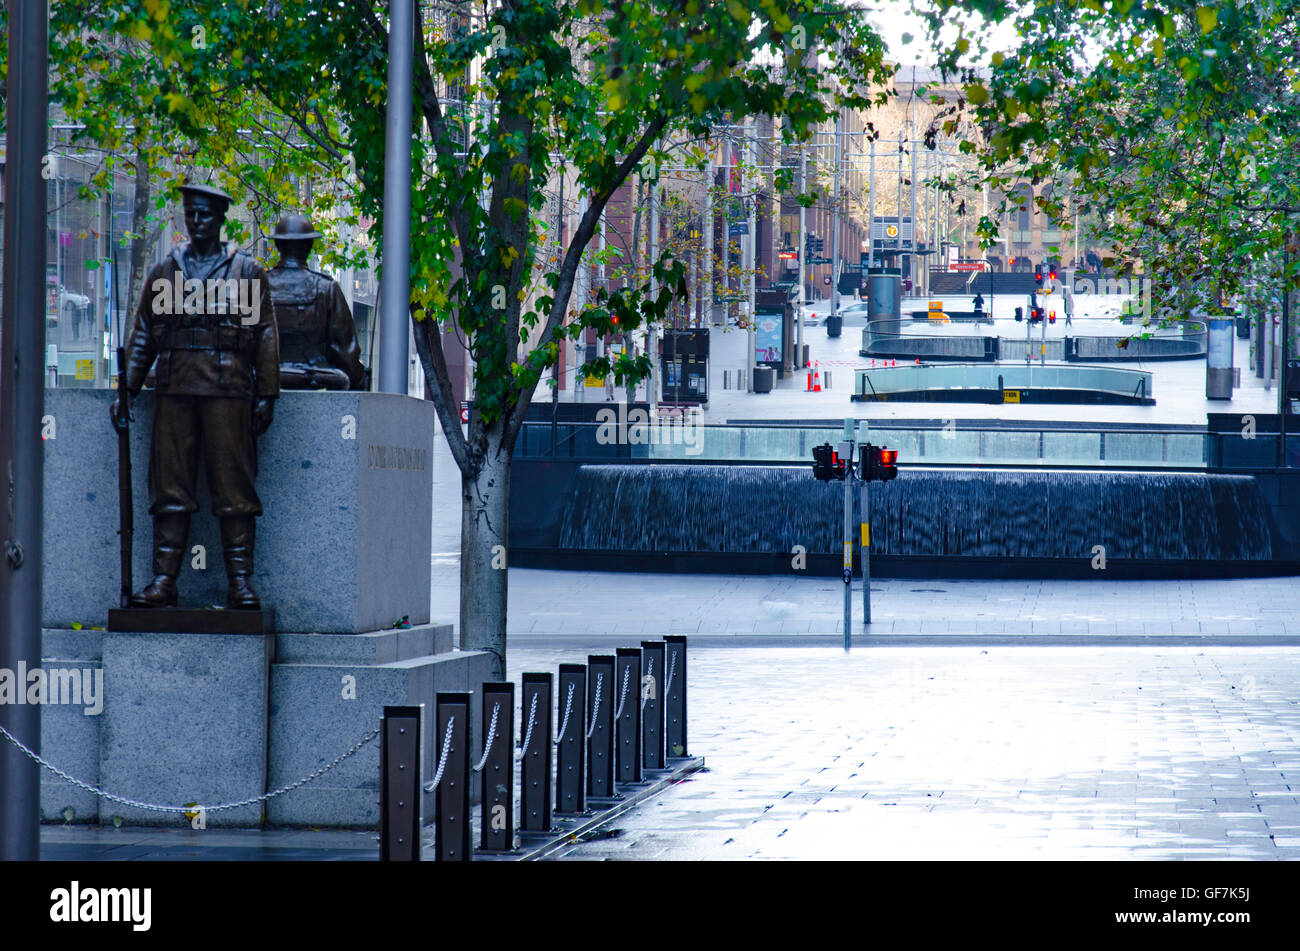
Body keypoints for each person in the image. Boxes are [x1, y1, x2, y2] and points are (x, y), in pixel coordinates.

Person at [112, 182, 278, 609]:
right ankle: (165, 580)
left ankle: (240, 581)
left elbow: (264, 337)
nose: (197, 220)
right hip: (174, 391)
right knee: (170, 487)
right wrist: (127, 390)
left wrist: (267, 394)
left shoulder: (246, 271)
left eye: (205, 213)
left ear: (221, 218)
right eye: (191, 213)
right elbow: (145, 334)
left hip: (228, 391)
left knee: (234, 486)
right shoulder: (166, 270)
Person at [267, 214, 367, 390]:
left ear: (277, 245)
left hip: (266, 375)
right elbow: (345, 350)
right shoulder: (327, 288)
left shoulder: (255, 284)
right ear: (309, 246)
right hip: (315, 377)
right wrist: (359, 380)